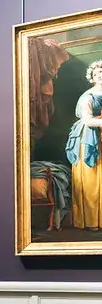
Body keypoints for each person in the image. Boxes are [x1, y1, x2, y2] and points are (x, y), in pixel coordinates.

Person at [66, 60, 102, 230]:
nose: (100, 76)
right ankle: (91, 221)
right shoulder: (88, 97)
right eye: (97, 74)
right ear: (92, 78)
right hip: (88, 139)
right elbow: (88, 121)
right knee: (91, 179)